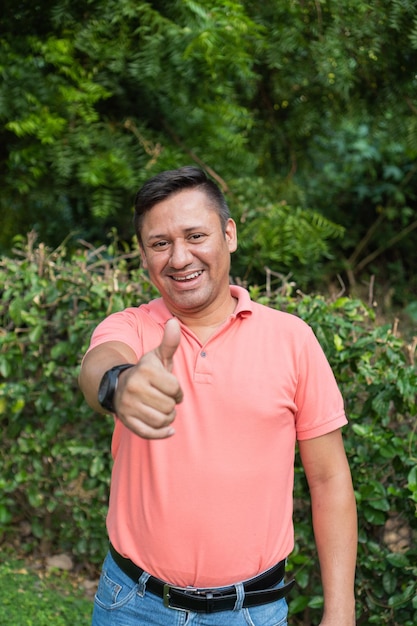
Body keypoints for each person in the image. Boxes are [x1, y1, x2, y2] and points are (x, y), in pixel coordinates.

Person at [79, 165, 357, 626]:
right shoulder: (131, 327)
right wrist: (119, 384)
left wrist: (341, 611)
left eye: (195, 235)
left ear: (228, 234)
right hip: (131, 605)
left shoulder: (293, 340)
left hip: (253, 612)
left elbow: (329, 481)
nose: (180, 257)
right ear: (144, 255)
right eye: (160, 243)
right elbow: (99, 363)